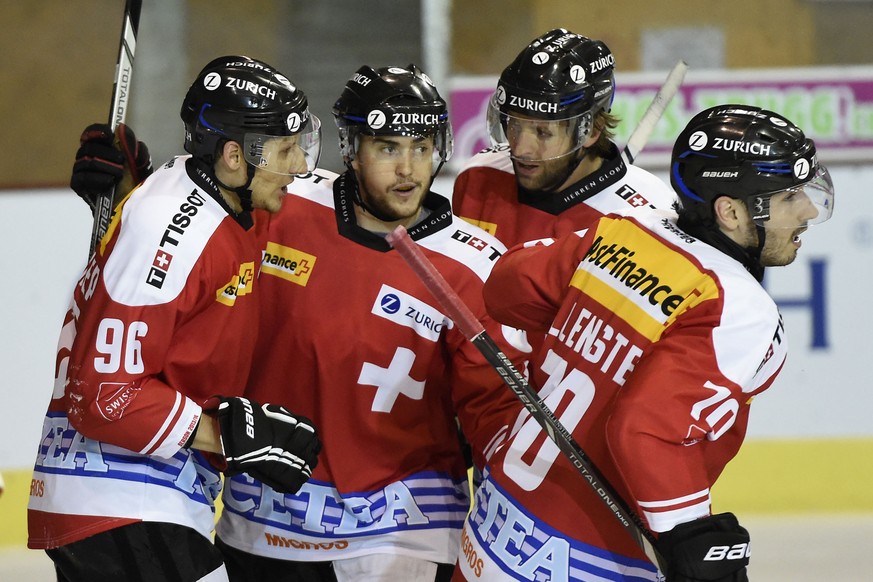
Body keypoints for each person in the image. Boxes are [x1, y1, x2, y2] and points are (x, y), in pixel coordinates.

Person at [455, 105, 835, 581]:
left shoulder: (623, 229)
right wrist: (690, 538)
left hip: (492, 530)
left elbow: (507, 287)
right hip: (588, 560)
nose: (809, 210)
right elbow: (643, 431)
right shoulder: (738, 309)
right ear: (732, 211)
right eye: (789, 197)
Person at [210, 64, 527, 582]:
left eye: (420, 148)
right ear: (351, 149)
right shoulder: (285, 205)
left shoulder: (474, 267)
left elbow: (498, 415)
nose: (407, 169)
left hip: (403, 533)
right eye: (388, 148)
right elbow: (197, 219)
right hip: (264, 520)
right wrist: (123, 193)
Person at [28, 55, 323, 582]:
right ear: (234, 156)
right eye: (286, 149)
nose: (300, 165)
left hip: (135, 498)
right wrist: (226, 436)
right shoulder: (174, 230)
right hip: (122, 497)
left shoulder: (205, 201)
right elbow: (102, 396)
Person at [452, 28, 677, 247]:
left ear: (591, 130)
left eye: (543, 132)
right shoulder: (480, 176)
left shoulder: (649, 219)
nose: (521, 150)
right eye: (515, 126)